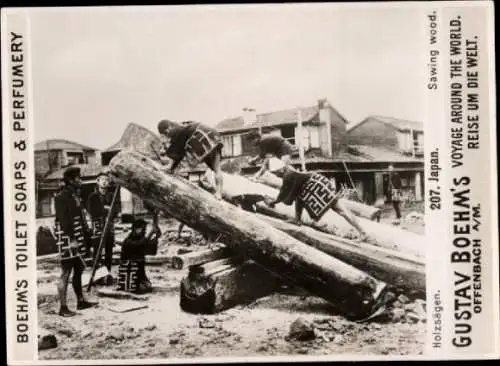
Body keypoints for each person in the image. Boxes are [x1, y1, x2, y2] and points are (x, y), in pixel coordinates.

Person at [264, 158, 369, 242]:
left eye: (276, 173)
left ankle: (363, 233)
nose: (276, 175)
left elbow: (284, 194)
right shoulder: (288, 171)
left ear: (280, 169)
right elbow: (297, 195)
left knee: (341, 210)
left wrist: (272, 202)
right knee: (301, 196)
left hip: (317, 185)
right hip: (315, 183)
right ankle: (297, 219)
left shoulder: (288, 175)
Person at [54, 166, 98, 317]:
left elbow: (81, 218)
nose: (80, 181)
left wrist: (86, 239)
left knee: (78, 269)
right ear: (71, 180)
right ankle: (63, 307)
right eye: (78, 178)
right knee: (66, 272)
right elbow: (64, 220)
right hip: (68, 239)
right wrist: (72, 239)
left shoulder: (75, 195)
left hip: (78, 237)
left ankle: (80, 301)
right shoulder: (61, 197)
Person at [157, 119, 224, 200]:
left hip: (202, 136)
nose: (168, 135)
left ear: (169, 127)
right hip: (214, 137)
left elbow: (177, 148)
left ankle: (170, 167)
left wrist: (170, 166)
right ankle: (219, 193)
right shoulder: (184, 127)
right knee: (217, 170)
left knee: (182, 151)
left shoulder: (177, 130)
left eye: (166, 133)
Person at [87, 171, 120, 285]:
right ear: (98, 182)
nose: (105, 182)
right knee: (97, 251)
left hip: (109, 225)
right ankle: (97, 275)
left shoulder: (112, 195)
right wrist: (105, 209)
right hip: (98, 226)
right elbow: (92, 211)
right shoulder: (93, 196)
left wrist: (112, 212)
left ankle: (108, 273)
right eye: (102, 180)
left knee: (109, 250)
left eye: (107, 180)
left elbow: (116, 209)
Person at [119, 218, 160, 294]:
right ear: (135, 229)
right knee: (142, 289)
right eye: (143, 229)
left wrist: (156, 237)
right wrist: (150, 233)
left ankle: (141, 282)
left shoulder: (139, 239)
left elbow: (151, 250)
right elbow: (139, 244)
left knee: (148, 287)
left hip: (139, 273)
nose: (144, 231)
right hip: (130, 272)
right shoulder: (128, 241)